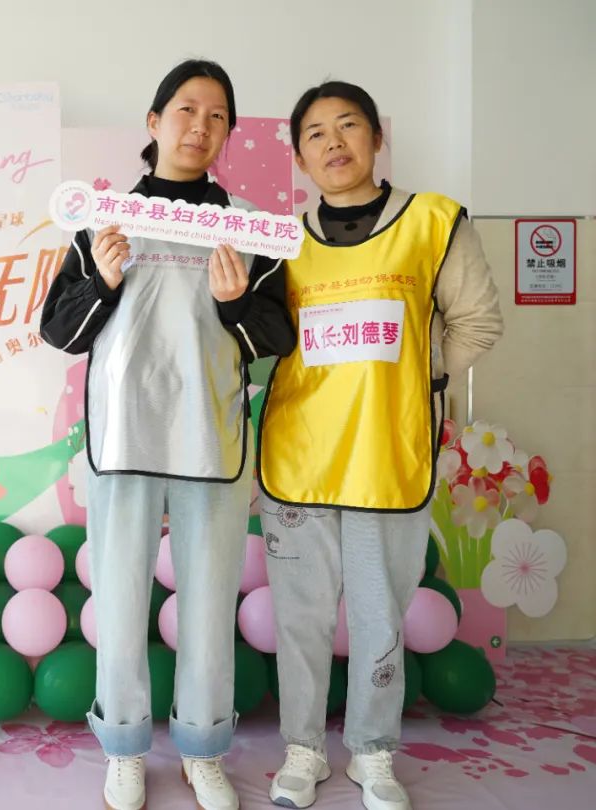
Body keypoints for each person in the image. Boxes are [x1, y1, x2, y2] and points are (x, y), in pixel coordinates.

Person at [40, 59, 296, 810]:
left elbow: (277, 334)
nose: (200, 127)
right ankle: (123, 747)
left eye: (217, 116)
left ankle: (203, 747)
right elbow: (59, 330)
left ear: (228, 133)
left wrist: (234, 303)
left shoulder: (249, 228)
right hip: (123, 439)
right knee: (120, 598)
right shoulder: (104, 219)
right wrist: (103, 282)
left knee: (209, 603)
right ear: (154, 122)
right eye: (186, 110)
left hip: (210, 440)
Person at [257, 81, 504, 810]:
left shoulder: (432, 222)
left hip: (386, 458)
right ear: (299, 156)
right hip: (299, 456)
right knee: (300, 619)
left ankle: (372, 751)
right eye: (315, 134)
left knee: (379, 615)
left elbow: (477, 322)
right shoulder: (283, 241)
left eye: (349, 126)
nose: (333, 143)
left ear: (376, 137)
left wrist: (416, 375)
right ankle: (303, 749)